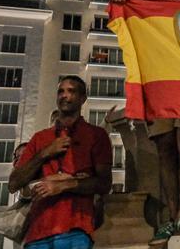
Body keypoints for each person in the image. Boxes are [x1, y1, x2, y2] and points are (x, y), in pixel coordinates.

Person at [109, 0, 180, 246]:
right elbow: (138, 15)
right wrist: (121, 0)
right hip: (165, 88)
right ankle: (168, 218)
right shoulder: (167, 9)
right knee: (165, 149)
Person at [9, 76, 112, 249]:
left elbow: (104, 183)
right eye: (60, 91)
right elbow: (13, 184)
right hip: (37, 232)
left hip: (76, 230)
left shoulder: (96, 135)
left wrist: (64, 185)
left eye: (71, 91)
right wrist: (45, 153)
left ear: (83, 98)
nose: (64, 95)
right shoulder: (40, 138)